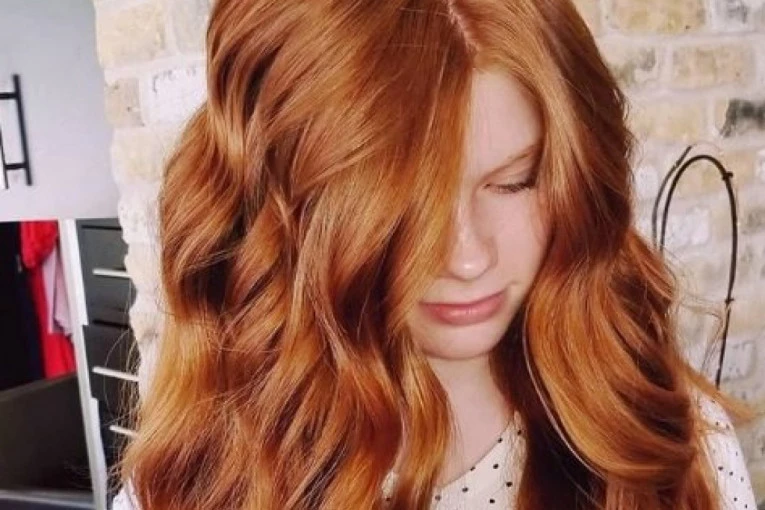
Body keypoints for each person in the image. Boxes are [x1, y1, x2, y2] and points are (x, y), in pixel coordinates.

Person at [112, 0, 759, 508]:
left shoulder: (672, 445)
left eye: (513, 183)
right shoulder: (196, 478)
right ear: (290, 206)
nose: (467, 258)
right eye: (402, 208)